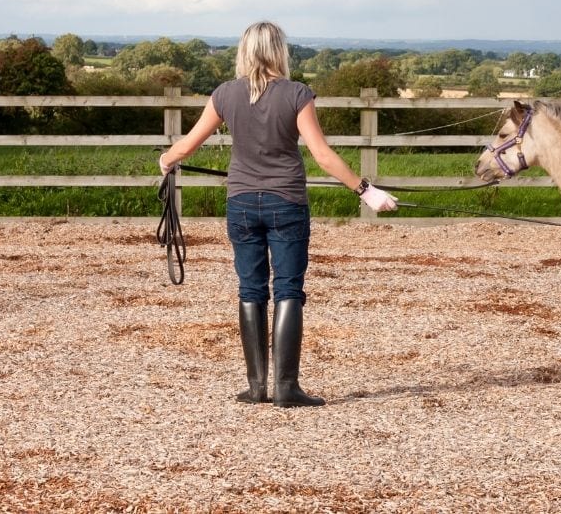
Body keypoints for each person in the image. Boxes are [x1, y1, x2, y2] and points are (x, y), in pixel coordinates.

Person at [157, 21, 397, 408]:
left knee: (251, 289)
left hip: (242, 204)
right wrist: (365, 191)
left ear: (244, 51)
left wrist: (166, 160)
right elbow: (321, 155)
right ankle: (286, 388)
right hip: (286, 203)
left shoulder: (225, 95)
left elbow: (187, 146)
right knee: (288, 288)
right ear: (278, 51)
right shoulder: (297, 94)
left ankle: (256, 388)